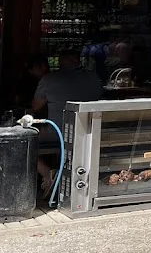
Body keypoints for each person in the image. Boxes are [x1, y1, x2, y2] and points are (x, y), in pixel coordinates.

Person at [32, 49, 103, 192]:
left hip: (58, 131)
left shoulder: (49, 79)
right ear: (77, 60)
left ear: (62, 61)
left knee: (25, 142)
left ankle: (47, 173)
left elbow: (36, 106)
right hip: (90, 130)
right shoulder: (94, 78)